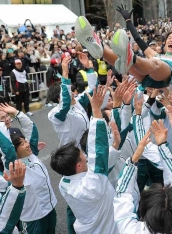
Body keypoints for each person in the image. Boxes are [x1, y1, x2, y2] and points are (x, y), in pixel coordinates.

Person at [74, 6, 172, 89]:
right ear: (164, 43)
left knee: (153, 62)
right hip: (144, 76)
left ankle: (130, 57)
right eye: (168, 38)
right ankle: (96, 45)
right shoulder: (153, 52)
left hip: (162, 76)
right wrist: (128, 20)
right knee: (125, 61)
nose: (171, 40)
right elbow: (137, 37)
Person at [50, 85, 120, 234]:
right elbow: (98, 152)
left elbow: (100, 162)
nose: (87, 157)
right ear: (79, 166)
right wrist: (96, 113)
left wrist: (114, 147)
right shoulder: (91, 184)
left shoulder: (64, 183)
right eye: (83, 156)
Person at [0, 103, 57, 233]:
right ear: (15, 151)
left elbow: (31, 129)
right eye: (22, 144)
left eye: (25, 141)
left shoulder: (32, 155)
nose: (27, 144)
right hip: (33, 218)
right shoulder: (15, 166)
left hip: (49, 209)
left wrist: (17, 112)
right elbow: (7, 148)